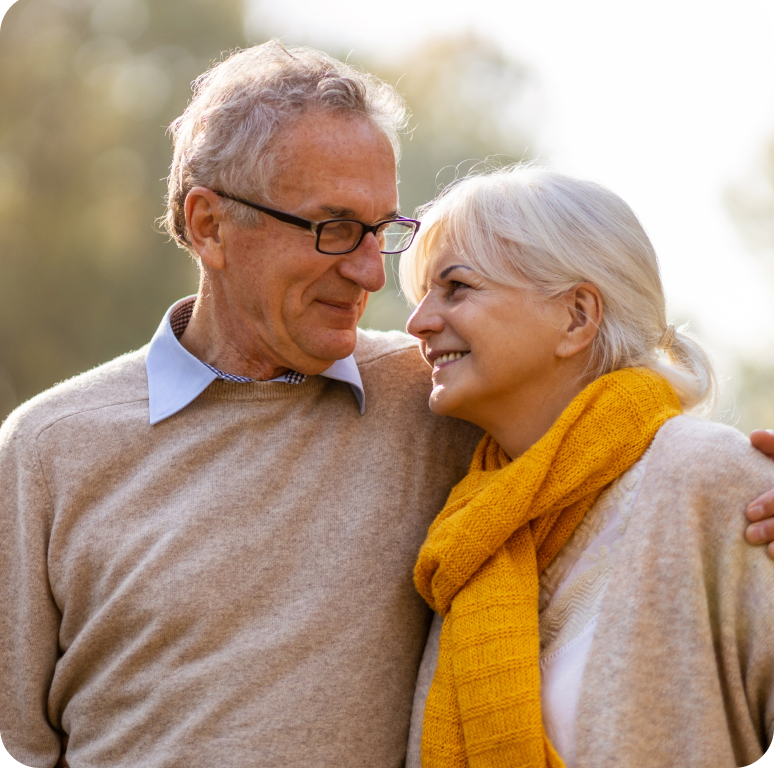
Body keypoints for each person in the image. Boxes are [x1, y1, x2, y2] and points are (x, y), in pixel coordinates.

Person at [0, 42, 773, 768]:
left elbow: (606, 427)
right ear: (209, 225)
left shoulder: (441, 397)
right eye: (335, 229)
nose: (374, 276)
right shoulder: (48, 450)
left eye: (383, 229)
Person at [401, 165, 774, 768]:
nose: (417, 323)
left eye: (457, 288)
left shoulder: (712, 478)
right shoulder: (472, 533)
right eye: (421, 296)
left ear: (576, 316)